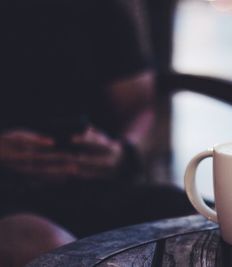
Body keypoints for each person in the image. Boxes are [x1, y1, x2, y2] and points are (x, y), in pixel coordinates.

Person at [0, 0, 193, 266]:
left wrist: (123, 151)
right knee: (48, 247)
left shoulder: (100, 8)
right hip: (9, 194)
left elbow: (141, 106)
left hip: (97, 185)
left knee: (203, 223)